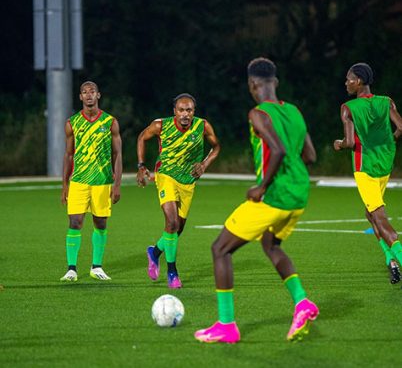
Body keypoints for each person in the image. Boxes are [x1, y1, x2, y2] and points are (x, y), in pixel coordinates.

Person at [194, 57, 319, 344]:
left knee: (220, 249)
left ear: (252, 84)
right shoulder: (295, 112)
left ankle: (226, 325)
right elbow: (310, 156)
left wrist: (261, 186)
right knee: (270, 244)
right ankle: (302, 303)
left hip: (275, 196)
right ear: (275, 82)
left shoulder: (258, 113)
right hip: (299, 195)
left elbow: (277, 150)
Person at [136, 93, 220, 288]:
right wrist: (141, 165)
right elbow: (142, 137)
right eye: (181, 110)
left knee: (177, 229)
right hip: (166, 175)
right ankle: (172, 272)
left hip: (188, 181)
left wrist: (205, 164)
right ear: (174, 111)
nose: (185, 114)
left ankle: (155, 252)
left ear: (193, 112)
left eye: (189, 110)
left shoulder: (202, 126)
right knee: (172, 222)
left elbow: (216, 147)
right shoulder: (160, 125)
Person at [333, 62, 402, 284]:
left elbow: (351, 142)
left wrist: (338, 144)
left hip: (366, 170)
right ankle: (390, 260)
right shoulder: (386, 102)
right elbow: (400, 127)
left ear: (359, 81)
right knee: (370, 213)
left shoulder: (348, 108)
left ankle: (398, 255)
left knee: (379, 218)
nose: (346, 83)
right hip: (384, 166)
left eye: (349, 79)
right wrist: (386, 141)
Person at [60, 81, 122, 282]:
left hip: (103, 181)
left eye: (92, 92)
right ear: (80, 97)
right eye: (84, 92)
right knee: (75, 222)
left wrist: (117, 184)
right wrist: (65, 185)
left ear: (98, 95)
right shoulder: (72, 123)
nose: (88, 95)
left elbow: (117, 154)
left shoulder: (110, 122)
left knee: (100, 223)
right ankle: (71, 269)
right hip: (79, 180)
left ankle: (96, 267)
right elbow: (68, 155)